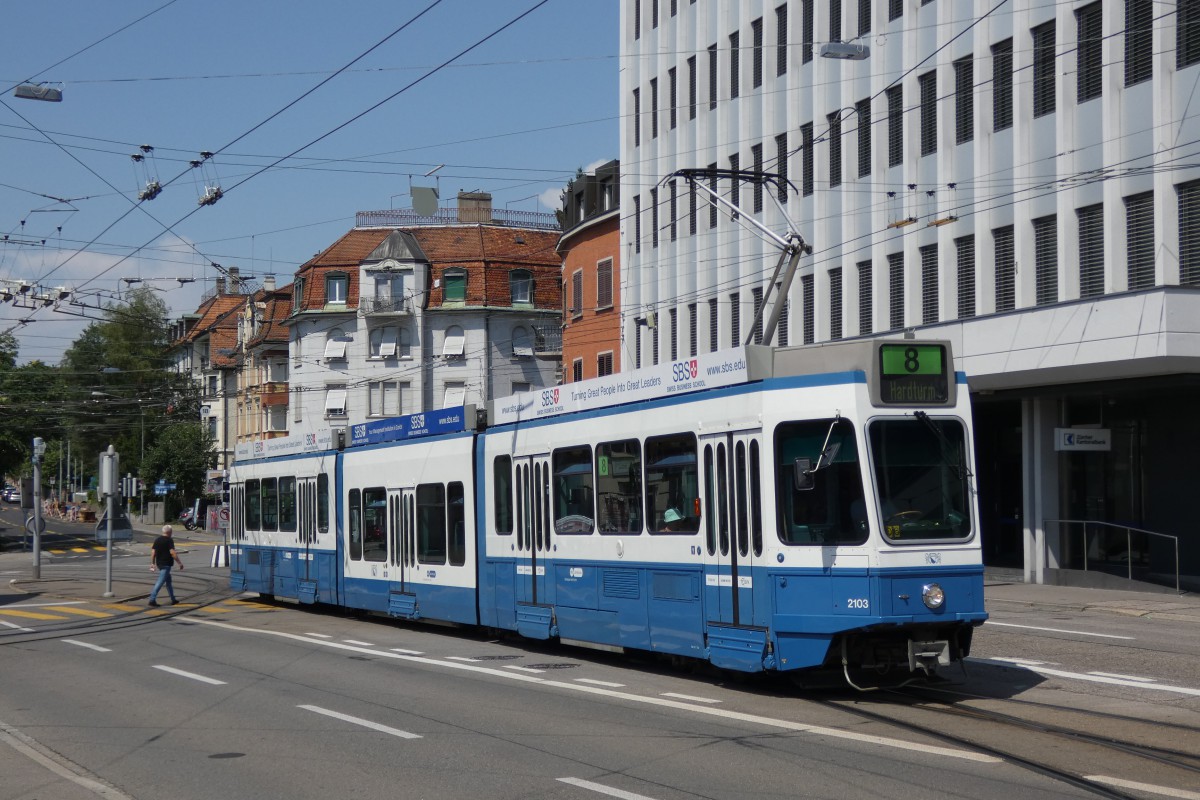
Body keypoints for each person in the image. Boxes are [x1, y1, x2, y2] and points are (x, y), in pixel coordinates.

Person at [148, 524, 184, 606]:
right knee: (160, 582)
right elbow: (172, 553)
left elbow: (153, 553)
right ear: (170, 532)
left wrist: (153, 563)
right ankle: (152, 600)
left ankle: (173, 599)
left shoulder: (157, 540)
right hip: (166, 564)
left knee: (168, 582)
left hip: (160, 563)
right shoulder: (169, 540)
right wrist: (179, 563)